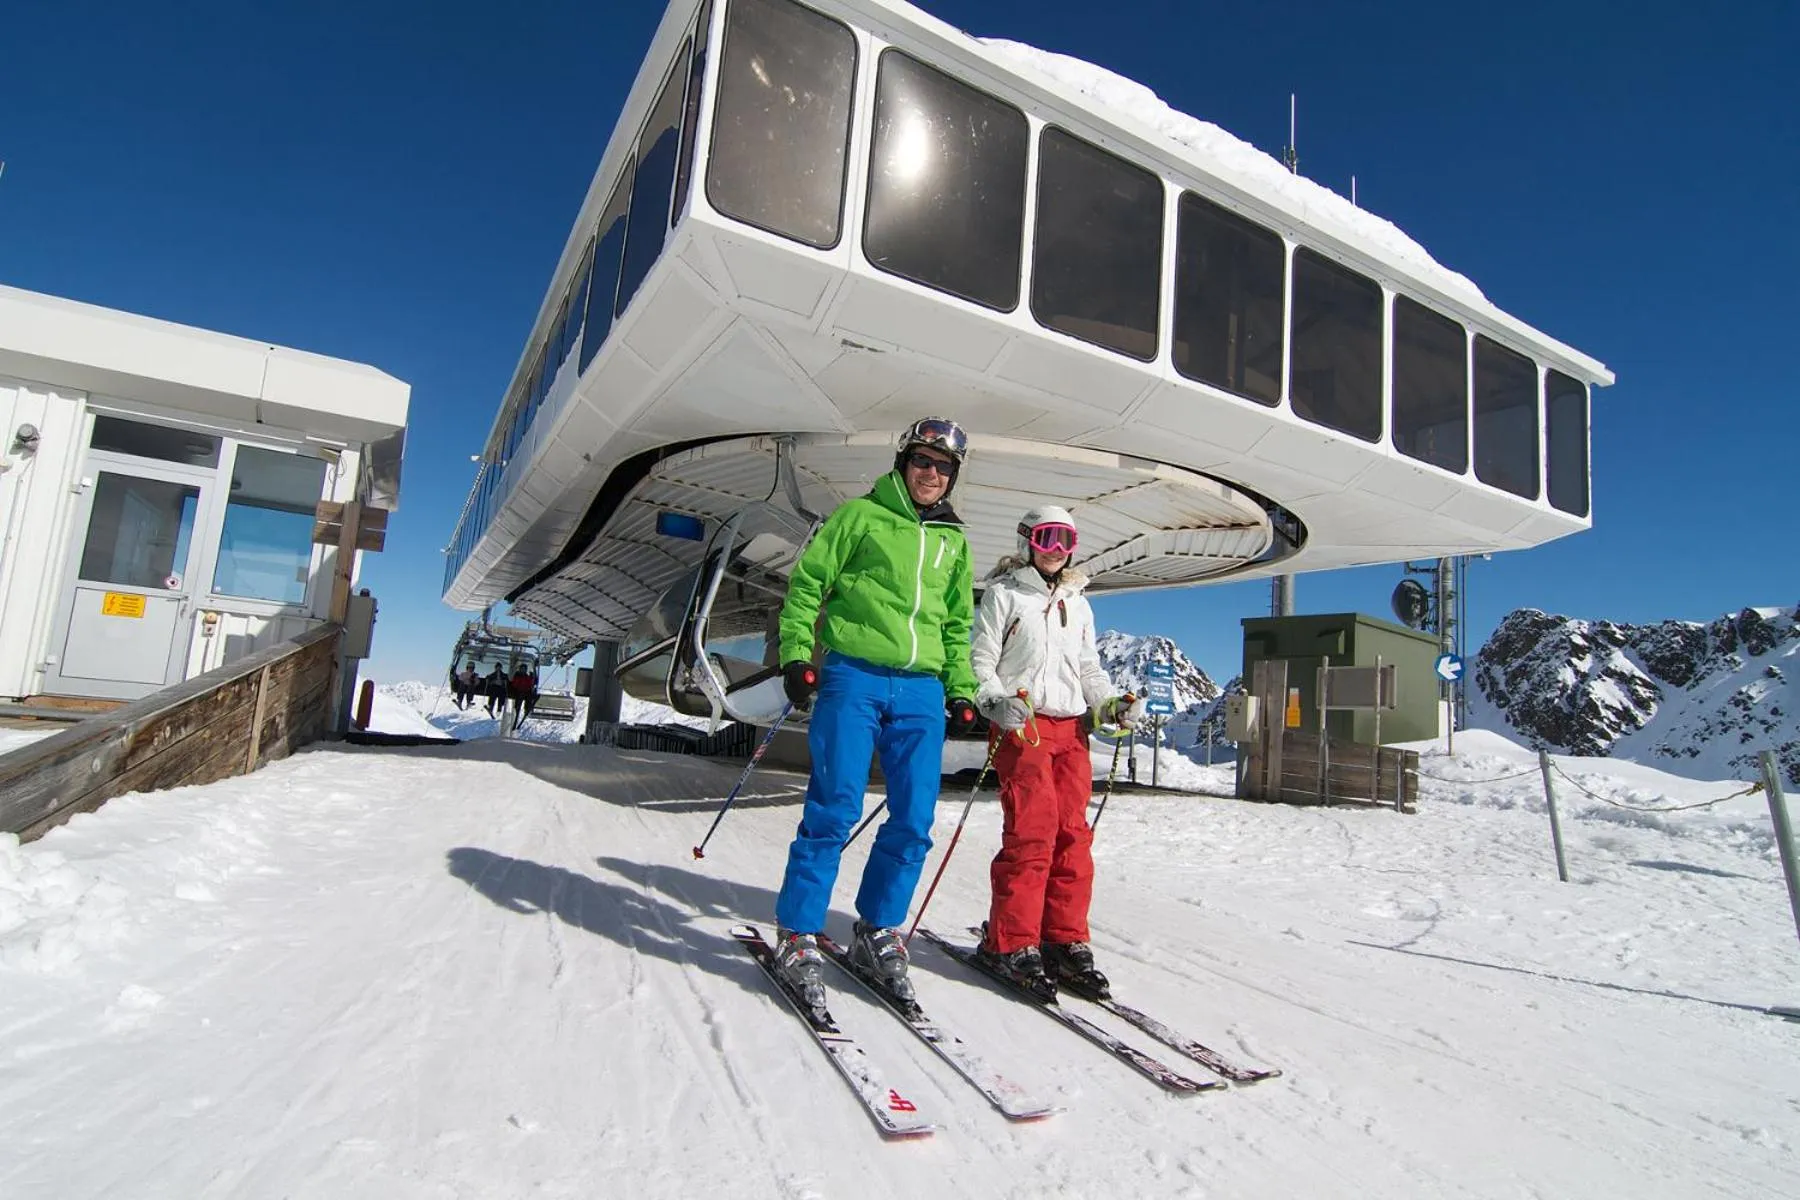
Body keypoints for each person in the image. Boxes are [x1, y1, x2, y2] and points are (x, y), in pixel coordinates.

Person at [770, 417, 981, 1012]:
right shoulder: (858, 517)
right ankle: (798, 931)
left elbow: (957, 625)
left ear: (953, 476)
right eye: (921, 460)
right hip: (855, 676)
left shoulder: (954, 542)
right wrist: (795, 655)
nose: (931, 473)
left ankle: (879, 927)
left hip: (921, 691)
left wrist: (960, 690)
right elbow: (808, 586)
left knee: (914, 819)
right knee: (835, 806)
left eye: (942, 467)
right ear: (902, 461)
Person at [968, 504, 1144, 1000]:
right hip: (1021, 722)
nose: (1057, 551)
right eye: (1047, 538)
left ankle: (1062, 940)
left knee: (1073, 834)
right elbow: (981, 659)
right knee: (1033, 830)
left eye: (1067, 540)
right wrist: (994, 700)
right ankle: (1011, 942)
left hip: (1071, 729)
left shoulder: (1078, 601)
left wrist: (1109, 704)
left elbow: (1089, 667)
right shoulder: (1004, 593)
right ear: (1027, 541)